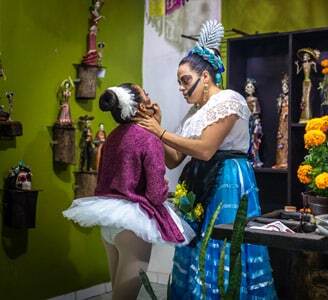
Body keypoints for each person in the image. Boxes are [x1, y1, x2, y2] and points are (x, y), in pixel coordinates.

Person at [134, 20, 278, 299]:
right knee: (198, 244)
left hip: (227, 180)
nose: (181, 87)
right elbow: (175, 159)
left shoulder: (229, 100)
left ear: (206, 77)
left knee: (221, 243)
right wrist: (156, 125)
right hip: (200, 180)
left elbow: (205, 149)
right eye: (179, 82)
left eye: (185, 80)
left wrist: (160, 131)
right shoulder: (193, 114)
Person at [63, 83, 195, 300]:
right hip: (133, 227)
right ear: (140, 106)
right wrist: (163, 188)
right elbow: (154, 194)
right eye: (147, 94)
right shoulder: (148, 138)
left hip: (109, 222)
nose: (152, 100)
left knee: (117, 291)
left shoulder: (112, 138)